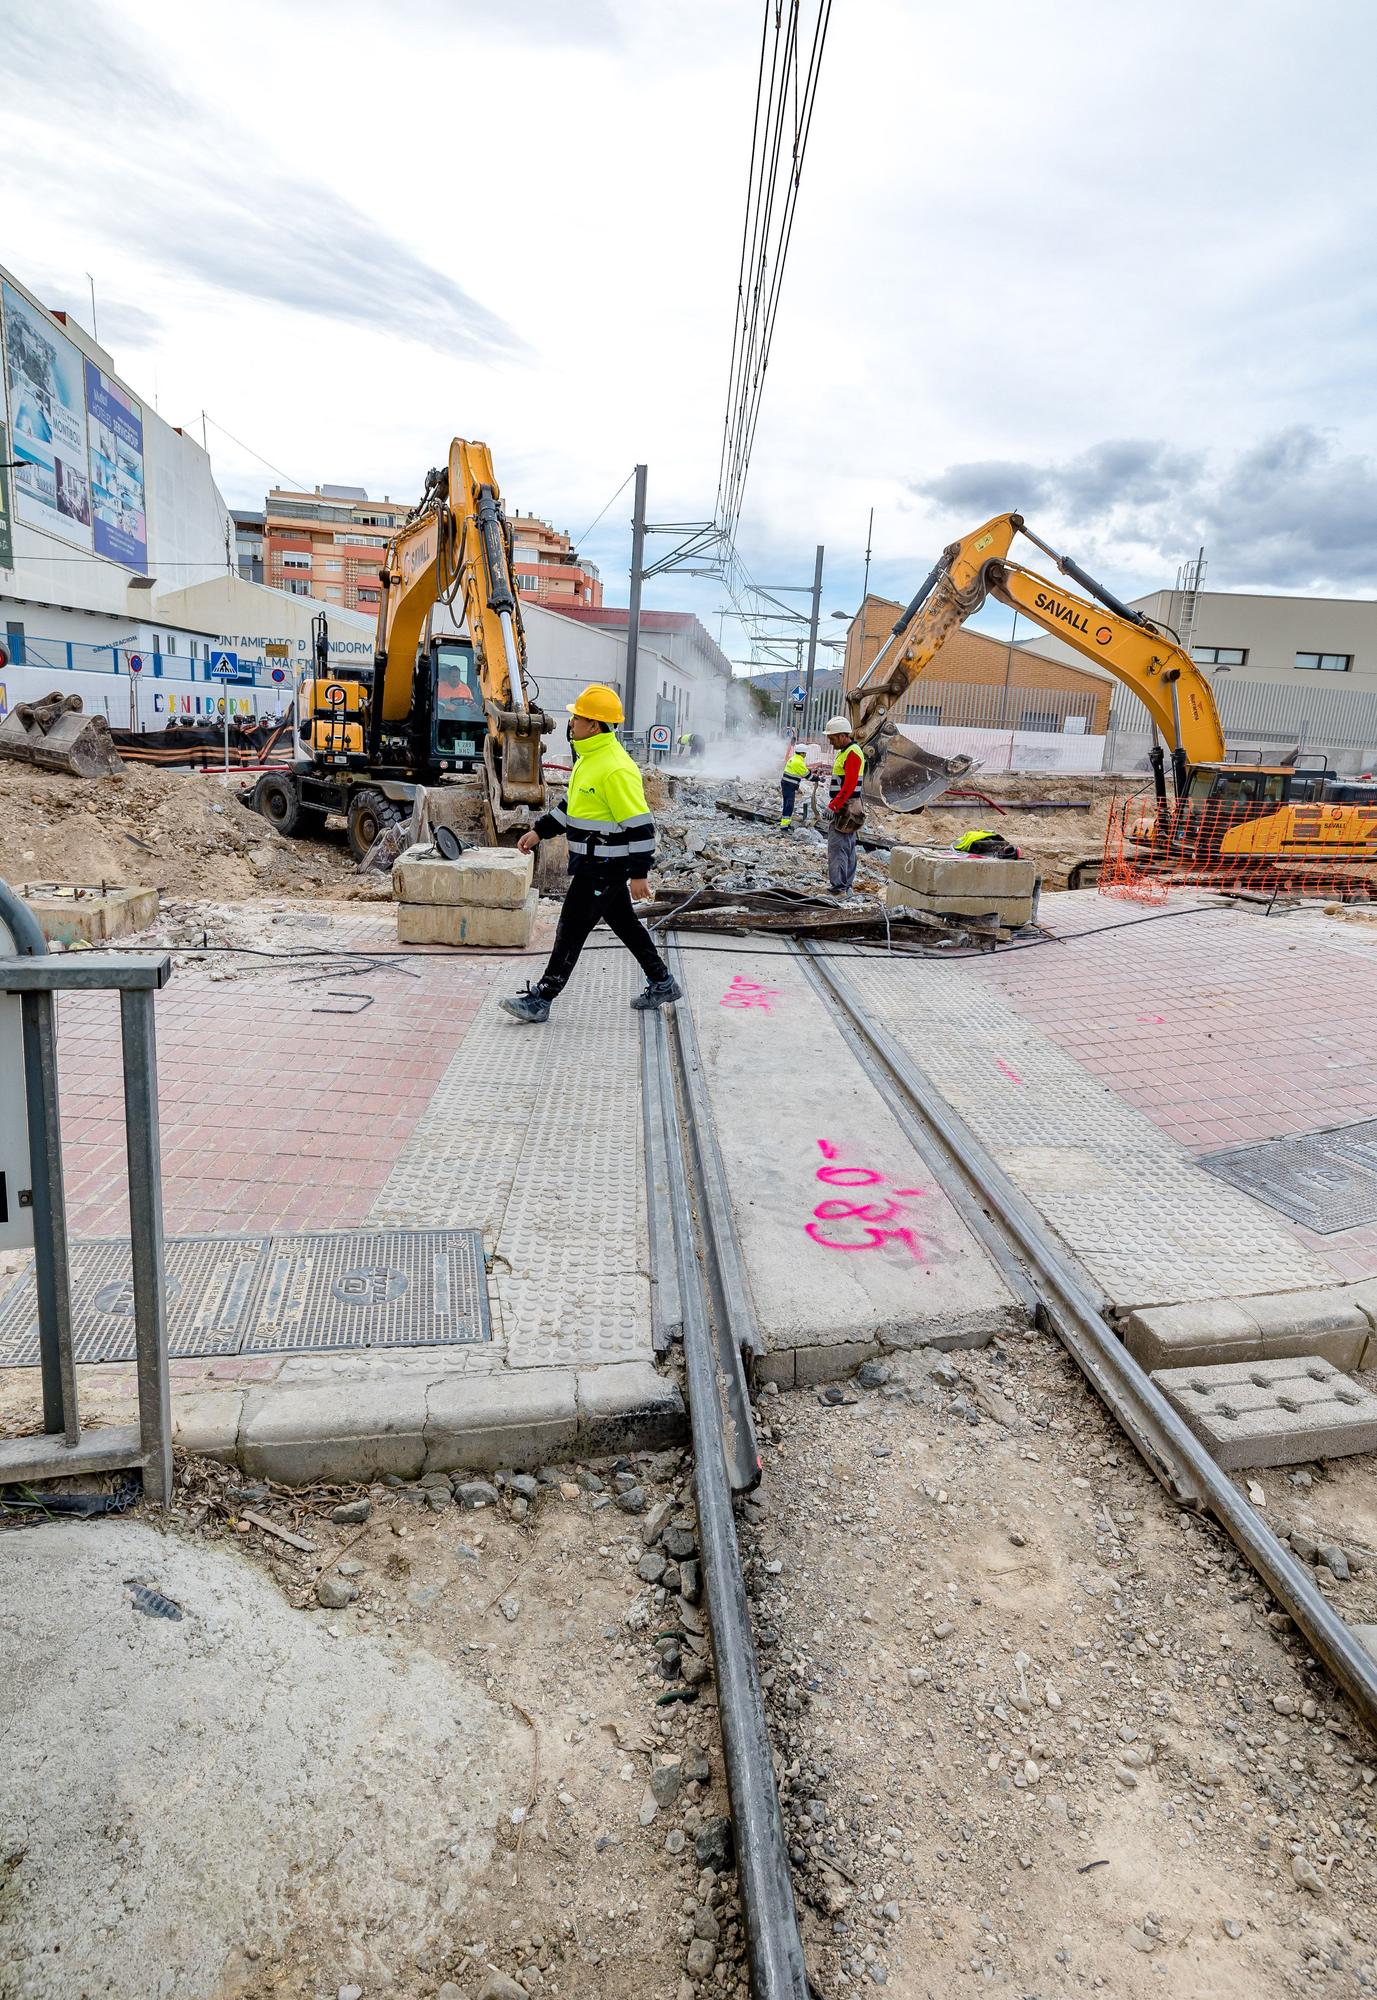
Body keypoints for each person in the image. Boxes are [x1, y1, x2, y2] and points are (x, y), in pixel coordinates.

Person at [501, 683, 682, 1023]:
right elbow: (573, 808)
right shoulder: (591, 759)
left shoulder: (615, 767)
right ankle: (662, 981)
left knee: (570, 927)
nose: (572, 723)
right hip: (593, 864)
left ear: (595, 726)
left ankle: (542, 998)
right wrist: (540, 831)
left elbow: (641, 826)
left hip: (604, 867)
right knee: (625, 924)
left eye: (578, 718)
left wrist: (639, 873)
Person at [822, 715, 866, 893]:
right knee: (847, 844)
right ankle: (845, 885)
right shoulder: (848, 751)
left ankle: (839, 887)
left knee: (838, 845)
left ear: (842, 736)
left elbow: (849, 785)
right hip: (848, 805)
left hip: (846, 807)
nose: (831, 742)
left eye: (832, 738)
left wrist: (833, 806)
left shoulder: (852, 753)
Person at [780, 742, 809, 829]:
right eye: (805, 753)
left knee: (786, 803)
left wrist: (797, 787)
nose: (805, 755)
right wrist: (818, 778)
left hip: (786, 784)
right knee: (789, 805)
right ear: (802, 753)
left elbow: (792, 775)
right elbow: (807, 775)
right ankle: (784, 826)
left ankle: (784, 823)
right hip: (789, 786)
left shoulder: (793, 759)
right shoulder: (798, 762)